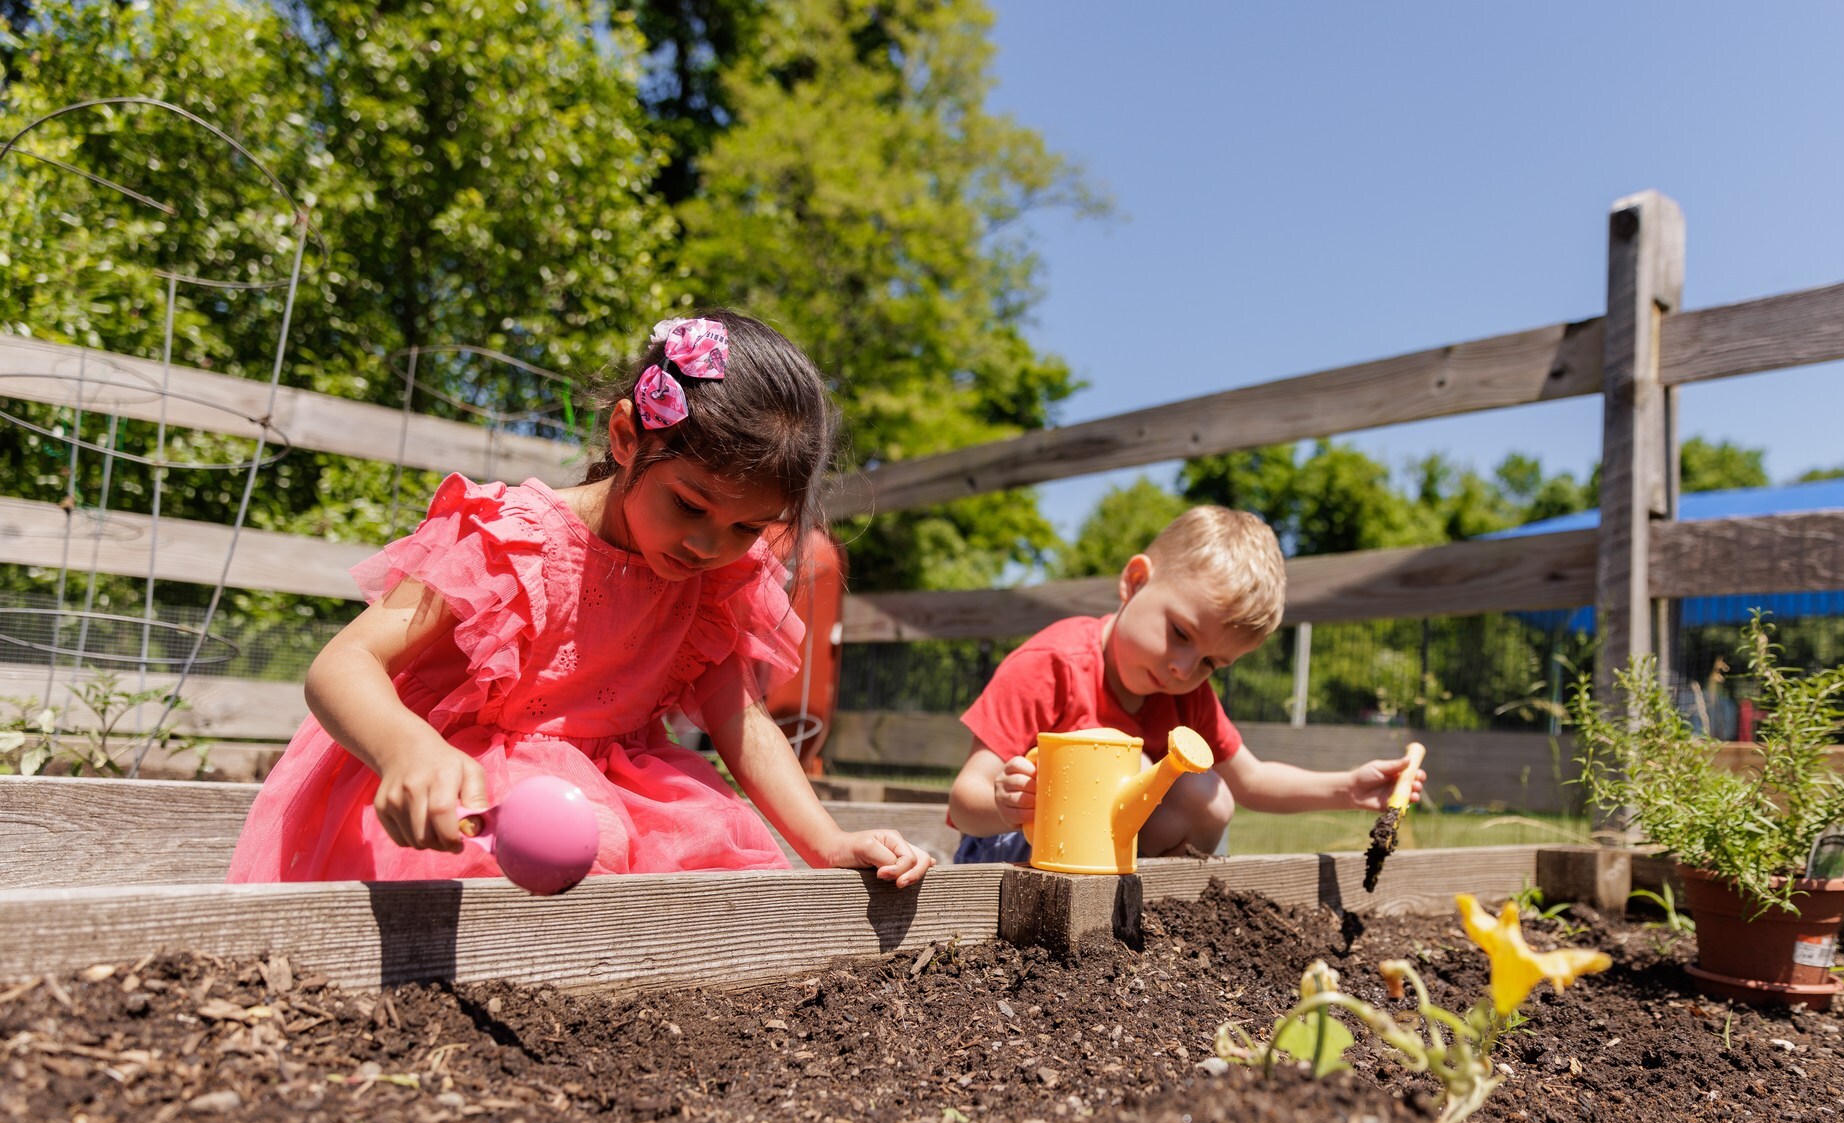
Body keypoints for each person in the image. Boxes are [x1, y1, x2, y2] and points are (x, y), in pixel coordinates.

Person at [229, 313, 933, 888]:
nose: (709, 545)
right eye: (689, 506)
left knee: (704, 889)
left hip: (621, 797)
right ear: (627, 438)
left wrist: (827, 842)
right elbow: (342, 664)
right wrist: (407, 749)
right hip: (475, 792)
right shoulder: (513, 540)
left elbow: (740, 721)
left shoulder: (716, 579)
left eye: (748, 527)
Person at [946, 506, 1421, 863]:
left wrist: (1349, 790)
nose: (1184, 668)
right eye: (1179, 633)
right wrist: (1008, 803)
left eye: (1212, 662)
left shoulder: (1188, 694)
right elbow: (965, 801)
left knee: (1204, 793)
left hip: (1103, 864)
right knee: (1144, 766)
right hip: (1010, 858)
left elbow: (1251, 781)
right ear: (1134, 582)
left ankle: (1146, 919)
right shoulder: (1052, 664)